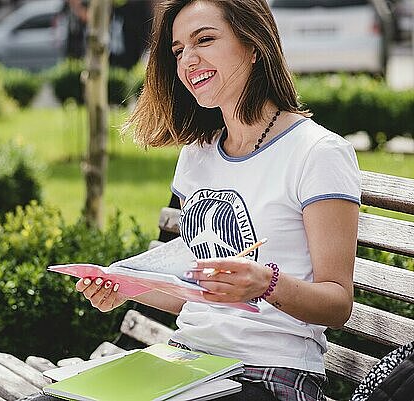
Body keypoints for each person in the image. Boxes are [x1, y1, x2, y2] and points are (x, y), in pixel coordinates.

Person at [75, 1, 362, 401]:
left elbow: (337, 304)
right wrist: (125, 288)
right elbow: (194, 294)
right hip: (188, 365)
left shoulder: (318, 152)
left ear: (253, 44)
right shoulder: (198, 153)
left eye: (205, 40)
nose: (189, 60)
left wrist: (266, 282)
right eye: (177, 51)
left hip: (269, 375)